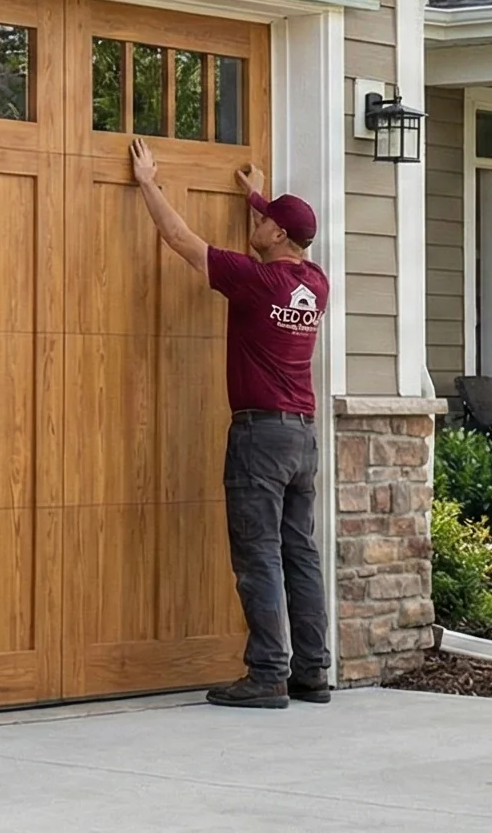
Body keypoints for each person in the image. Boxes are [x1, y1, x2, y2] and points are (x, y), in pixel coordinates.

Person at [127, 139, 331, 709]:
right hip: (301, 437)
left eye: (264, 221)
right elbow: (285, 244)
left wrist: (149, 182)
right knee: (299, 552)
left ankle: (268, 674)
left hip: (259, 435)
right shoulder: (314, 283)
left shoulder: (254, 282)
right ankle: (312, 670)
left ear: (280, 235)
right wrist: (258, 197)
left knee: (258, 552)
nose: (257, 224)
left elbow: (179, 240)